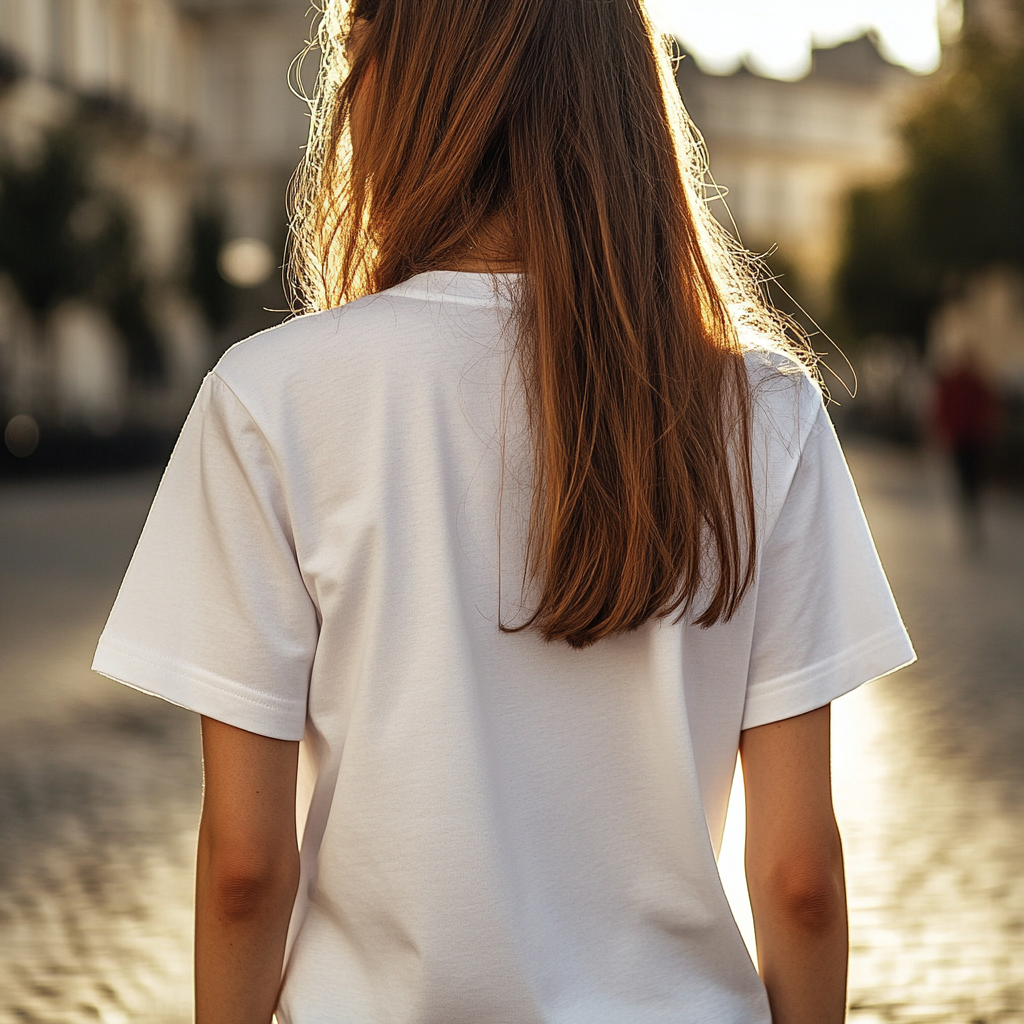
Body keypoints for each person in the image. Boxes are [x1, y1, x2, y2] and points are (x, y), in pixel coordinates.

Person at [93, 2, 914, 1022]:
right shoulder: (763, 411)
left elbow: (246, 869)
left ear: (400, 97)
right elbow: (798, 873)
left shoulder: (269, 399)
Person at [934, 351, 999, 547]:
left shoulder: (975, 383)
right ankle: (970, 512)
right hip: (961, 439)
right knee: (966, 480)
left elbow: (989, 408)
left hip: (973, 439)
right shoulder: (957, 382)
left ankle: (971, 510)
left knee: (971, 481)